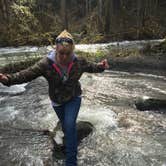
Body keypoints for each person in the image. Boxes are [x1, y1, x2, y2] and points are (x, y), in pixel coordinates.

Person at [0, 30, 109, 166]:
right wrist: (7, 79)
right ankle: (67, 144)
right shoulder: (46, 64)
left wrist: (101, 66)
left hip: (74, 97)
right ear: (55, 50)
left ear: (72, 51)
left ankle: (71, 161)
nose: (64, 57)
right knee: (65, 126)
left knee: (69, 125)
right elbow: (26, 74)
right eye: (60, 53)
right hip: (57, 101)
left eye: (67, 54)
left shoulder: (79, 61)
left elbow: (92, 67)